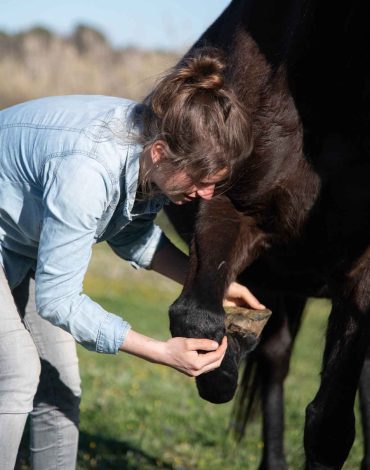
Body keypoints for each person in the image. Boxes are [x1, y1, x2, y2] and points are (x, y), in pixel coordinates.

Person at [0, 48, 264, 469]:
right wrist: (161, 351)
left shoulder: (154, 150)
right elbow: (58, 300)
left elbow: (133, 239)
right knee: (16, 376)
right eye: (200, 180)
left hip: (21, 244)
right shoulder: (88, 172)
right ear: (160, 153)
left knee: (61, 386)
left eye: (214, 183)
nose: (206, 195)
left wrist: (210, 284)